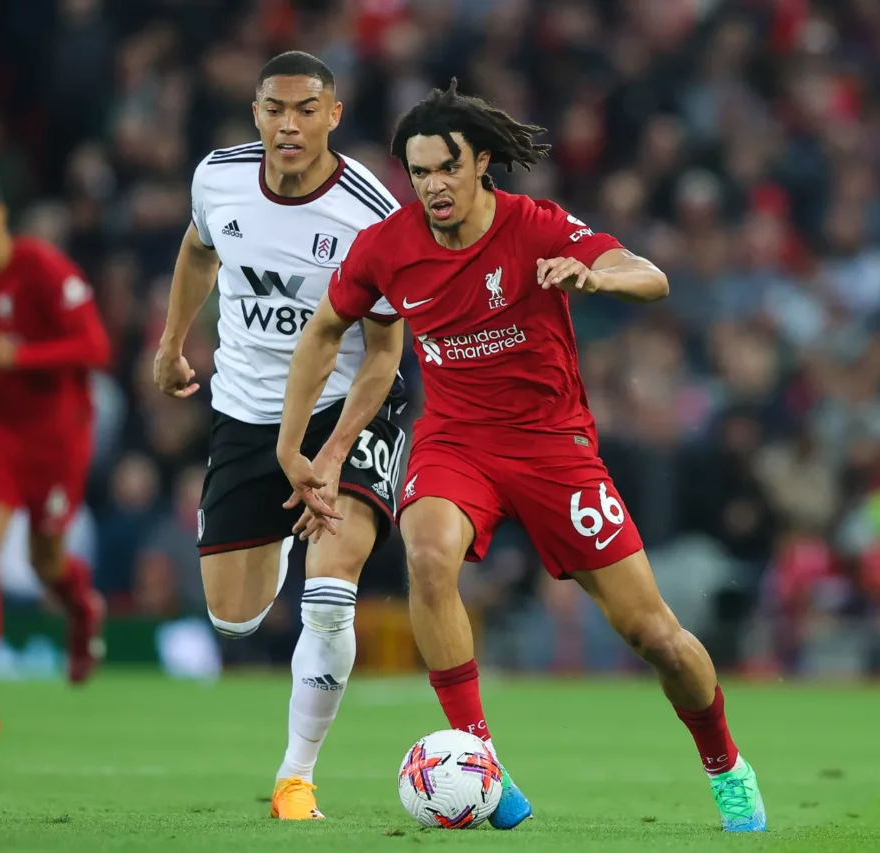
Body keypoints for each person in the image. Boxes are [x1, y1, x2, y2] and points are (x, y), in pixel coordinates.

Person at [277, 80, 768, 833]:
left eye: (446, 168)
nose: (433, 186)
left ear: (480, 164)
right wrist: (300, 442)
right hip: (456, 441)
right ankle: (482, 761)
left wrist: (596, 275)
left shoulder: (535, 227)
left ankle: (727, 764)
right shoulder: (388, 248)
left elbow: (653, 275)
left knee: (655, 635)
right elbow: (324, 329)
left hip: (553, 449)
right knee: (430, 556)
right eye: (419, 173)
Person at [151, 51, 407, 820]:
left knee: (329, 600)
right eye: (273, 109)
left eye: (305, 110)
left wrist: (327, 459)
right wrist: (171, 343)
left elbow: (387, 351)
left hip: (346, 410)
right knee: (234, 616)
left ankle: (296, 779)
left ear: (333, 115)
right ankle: (283, 533)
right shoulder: (217, 178)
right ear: (255, 112)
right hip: (245, 412)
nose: (287, 124)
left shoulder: (370, 214)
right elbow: (199, 250)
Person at [0, 169, 111, 735]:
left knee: (44, 562)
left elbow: (96, 346)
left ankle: (83, 612)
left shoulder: (40, 266)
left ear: (0, 216)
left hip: (57, 434)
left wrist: (20, 356)